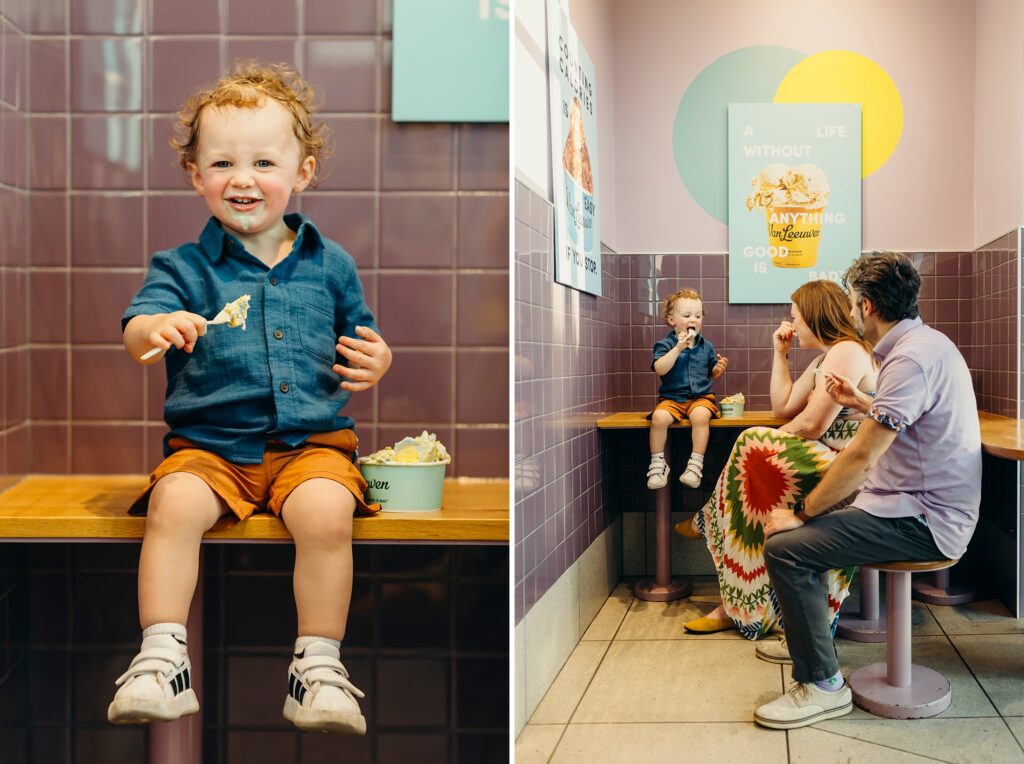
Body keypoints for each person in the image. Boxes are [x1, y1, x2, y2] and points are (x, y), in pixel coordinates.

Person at [107, 62, 392, 736]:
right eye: (222, 161)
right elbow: (136, 329)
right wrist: (157, 328)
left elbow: (363, 337)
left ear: (303, 172)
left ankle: (317, 666)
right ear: (196, 175)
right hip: (208, 451)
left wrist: (377, 360)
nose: (242, 177)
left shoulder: (332, 264)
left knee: (326, 515)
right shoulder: (180, 267)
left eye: (264, 160)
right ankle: (160, 657)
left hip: (311, 448)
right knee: (172, 505)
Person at [753, 251, 981, 730]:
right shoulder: (924, 345)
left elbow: (861, 457)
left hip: (923, 522)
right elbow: (904, 421)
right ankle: (810, 644)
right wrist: (862, 400)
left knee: (787, 547)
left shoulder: (910, 361)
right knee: (800, 537)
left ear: (866, 305)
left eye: (854, 303)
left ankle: (822, 685)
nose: (852, 312)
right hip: (914, 506)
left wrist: (802, 511)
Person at [677, 279, 877, 636]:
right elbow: (783, 406)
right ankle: (741, 601)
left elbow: (813, 424)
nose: (792, 326)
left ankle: (708, 525)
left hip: (841, 463)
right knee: (758, 496)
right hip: (820, 457)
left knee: (751, 441)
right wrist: (779, 353)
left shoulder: (845, 351)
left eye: (796, 318)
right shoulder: (825, 357)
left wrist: (768, 438)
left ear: (816, 317)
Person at [646, 288, 729, 490]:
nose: (694, 319)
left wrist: (718, 369)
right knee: (659, 419)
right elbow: (660, 368)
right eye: (687, 315)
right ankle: (658, 464)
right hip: (672, 399)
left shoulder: (706, 346)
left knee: (700, 416)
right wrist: (678, 349)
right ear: (671, 320)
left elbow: (710, 373)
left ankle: (695, 464)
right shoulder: (664, 344)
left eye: (698, 316)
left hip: (701, 397)